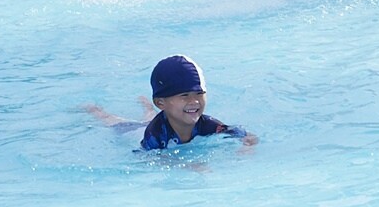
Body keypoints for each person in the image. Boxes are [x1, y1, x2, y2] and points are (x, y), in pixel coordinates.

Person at [84, 55, 257, 151]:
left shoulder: (207, 124)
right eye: (184, 95)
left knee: (154, 116)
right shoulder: (154, 134)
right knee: (114, 122)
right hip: (135, 132)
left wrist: (247, 146)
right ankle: (94, 110)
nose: (194, 101)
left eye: (199, 93)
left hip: (165, 116)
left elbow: (245, 134)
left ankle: (147, 108)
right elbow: (147, 159)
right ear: (161, 102)